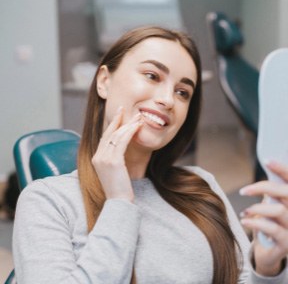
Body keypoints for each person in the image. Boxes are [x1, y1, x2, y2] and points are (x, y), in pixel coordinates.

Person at [12, 26, 287, 284]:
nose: (168, 100)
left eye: (183, 92)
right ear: (104, 81)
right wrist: (120, 202)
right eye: (152, 76)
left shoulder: (202, 186)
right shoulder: (47, 200)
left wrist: (267, 268)